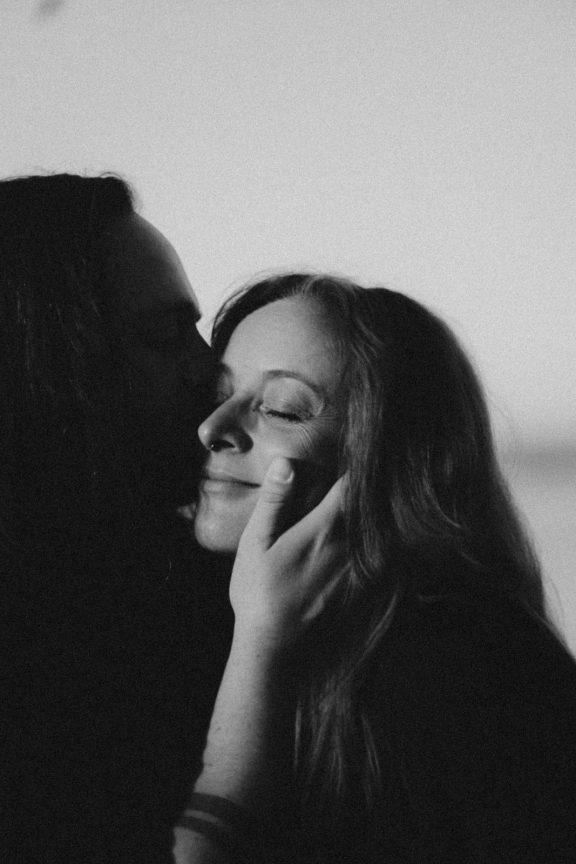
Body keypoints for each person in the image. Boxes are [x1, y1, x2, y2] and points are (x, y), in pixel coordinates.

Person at [0, 175, 342, 864]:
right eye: (164, 336)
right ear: (45, 364)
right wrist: (261, 649)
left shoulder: (216, 580)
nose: (207, 372)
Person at [182, 272, 576, 862]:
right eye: (217, 394)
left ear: (384, 457)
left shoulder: (473, 667)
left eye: (283, 409)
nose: (212, 429)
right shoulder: (185, 624)